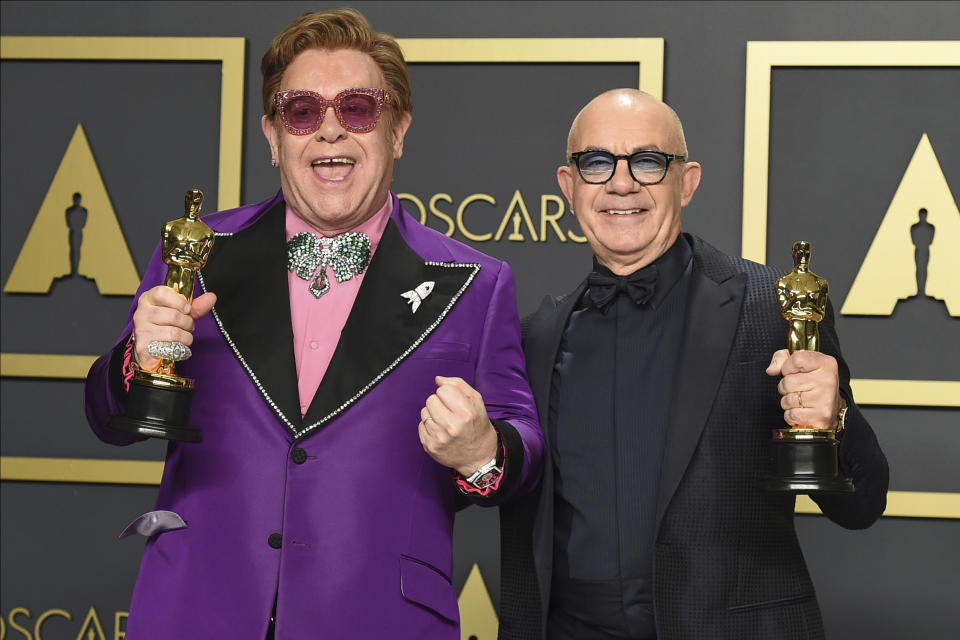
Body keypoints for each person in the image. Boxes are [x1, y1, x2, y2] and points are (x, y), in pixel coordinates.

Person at [83, 9, 543, 639]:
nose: (330, 131)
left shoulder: (476, 283)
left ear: (398, 129)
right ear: (273, 134)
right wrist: (139, 354)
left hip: (381, 620)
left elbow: (524, 450)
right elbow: (107, 418)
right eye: (302, 111)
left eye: (358, 108)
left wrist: (483, 453)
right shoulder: (198, 251)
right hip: (197, 610)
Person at [498, 89, 888, 640]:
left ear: (688, 181)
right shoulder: (535, 336)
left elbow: (863, 505)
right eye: (597, 162)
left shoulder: (773, 306)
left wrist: (835, 420)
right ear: (569, 185)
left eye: (649, 161)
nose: (621, 182)